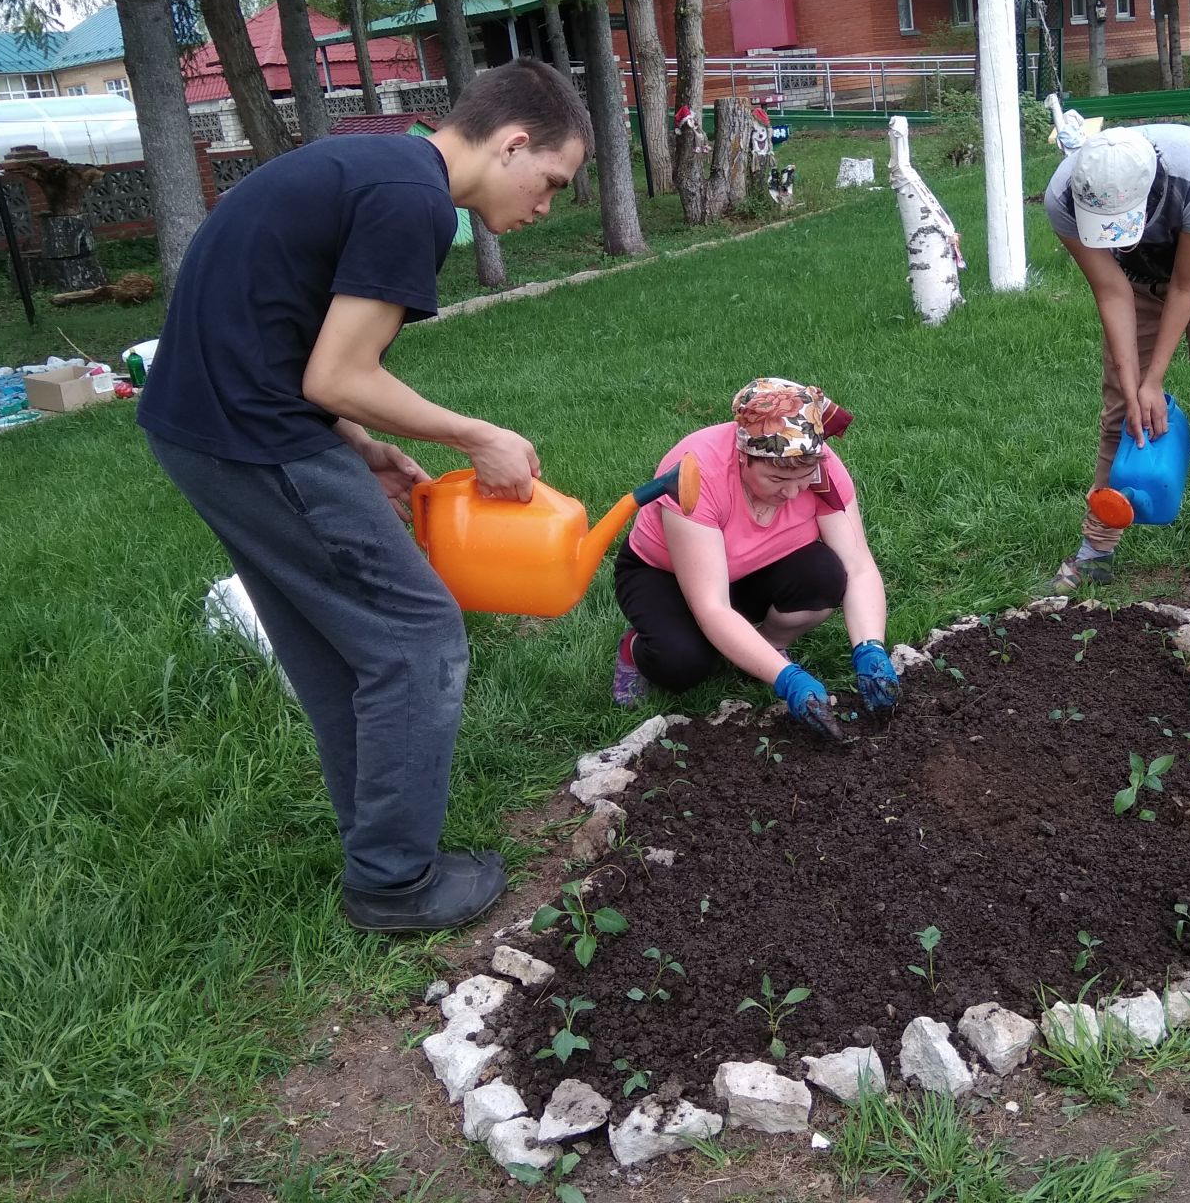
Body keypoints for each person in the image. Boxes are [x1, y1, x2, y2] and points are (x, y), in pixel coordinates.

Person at [138, 60, 593, 933]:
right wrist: (475, 435)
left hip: (200, 427)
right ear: (513, 142)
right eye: (551, 183)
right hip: (251, 436)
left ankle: (379, 851)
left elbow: (277, 330)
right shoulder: (412, 199)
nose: (544, 207)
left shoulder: (377, 170)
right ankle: (393, 881)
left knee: (337, 648)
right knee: (417, 634)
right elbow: (340, 370)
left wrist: (359, 445)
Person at [1043, 126, 1190, 635]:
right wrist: (1134, 389)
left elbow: (1188, 285)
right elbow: (1111, 291)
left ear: (1149, 192)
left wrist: (1155, 380)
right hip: (1133, 284)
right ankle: (1095, 553)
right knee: (1118, 419)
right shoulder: (1063, 196)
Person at [612, 378, 898, 741]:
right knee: (683, 662)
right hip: (663, 575)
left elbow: (858, 566)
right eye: (777, 478)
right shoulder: (696, 472)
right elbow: (712, 606)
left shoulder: (822, 471)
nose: (793, 491)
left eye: (803, 477)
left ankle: (764, 648)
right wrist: (788, 680)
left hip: (759, 566)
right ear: (744, 457)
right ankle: (634, 651)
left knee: (825, 576)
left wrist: (870, 647)